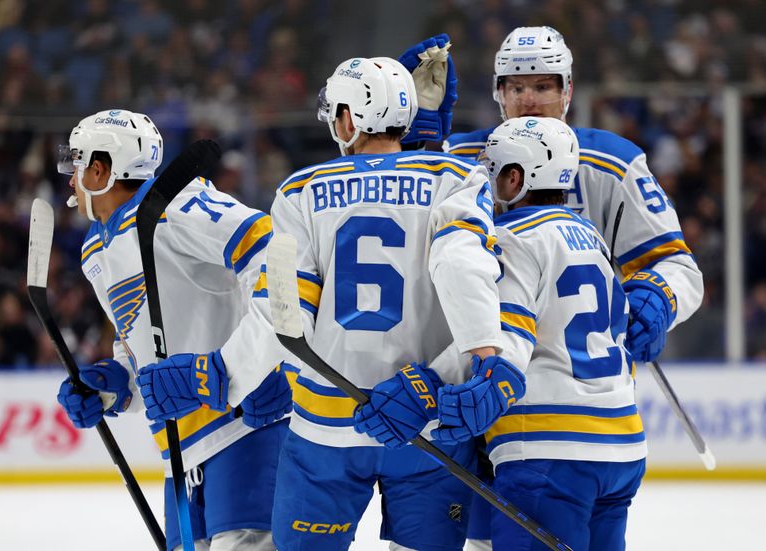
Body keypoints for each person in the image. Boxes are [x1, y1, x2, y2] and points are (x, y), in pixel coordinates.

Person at [423, 26, 702, 549]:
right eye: (516, 87)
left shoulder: (612, 162)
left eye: (544, 86)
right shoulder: (456, 156)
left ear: (568, 91)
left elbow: (678, 268)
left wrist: (657, 297)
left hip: (553, 411)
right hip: (474, 394)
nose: (529, 99)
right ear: (497, 93)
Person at [259, 53, 522, 551]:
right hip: (426, 416)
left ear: (350, 118)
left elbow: (284, 313)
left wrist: (249, 375)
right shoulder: (459, 176)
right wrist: (486, 355)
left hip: (326, 425)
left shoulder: (299, 190)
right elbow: (464, 268)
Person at [54, 109, 292, 551]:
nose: (70, 178)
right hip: (180, 453)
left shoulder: (178, 206)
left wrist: (260, 364)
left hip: (245, 431)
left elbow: (278, 255)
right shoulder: (96, 250)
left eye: (78, 164)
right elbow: (144, 345)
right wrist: (114, 384)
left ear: (102, 170)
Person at [435, 116, 647, 551]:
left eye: (494, 171)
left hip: (551, 450)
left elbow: (506, 340)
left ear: (515, 177)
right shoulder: (592, 236)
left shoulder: (511, 238)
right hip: (623, 445)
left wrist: (430, 383)